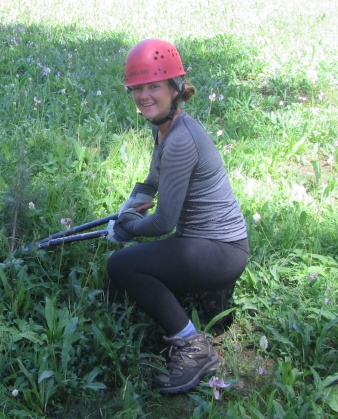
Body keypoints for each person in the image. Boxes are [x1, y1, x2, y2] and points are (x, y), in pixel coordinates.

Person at [104, 38, 249, 394]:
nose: (144, 96)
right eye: (137, 88)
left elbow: (163, 223)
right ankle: (205, 295)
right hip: (205, 243)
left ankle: (192, 346)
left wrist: (128, 227)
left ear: (175, 89)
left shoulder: (182, 139)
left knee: (122, 266)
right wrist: (131, 203)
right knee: (123, 275)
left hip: (220, 249)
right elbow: (153, 180)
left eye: (154, 86)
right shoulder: (165, 127)